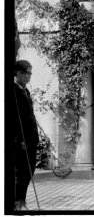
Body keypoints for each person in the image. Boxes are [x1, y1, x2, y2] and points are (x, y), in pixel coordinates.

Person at [12, 60, 39, 211]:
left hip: (31, 139)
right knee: (21, 173)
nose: (27, 76)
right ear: (17, 73)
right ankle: (16, 202)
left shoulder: (25, 91)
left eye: (29, 73)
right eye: (24, 73)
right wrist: (20, 139)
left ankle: (21, 200)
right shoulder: (13, 92)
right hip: (21, 141)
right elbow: (14, 119)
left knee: (28, 172)